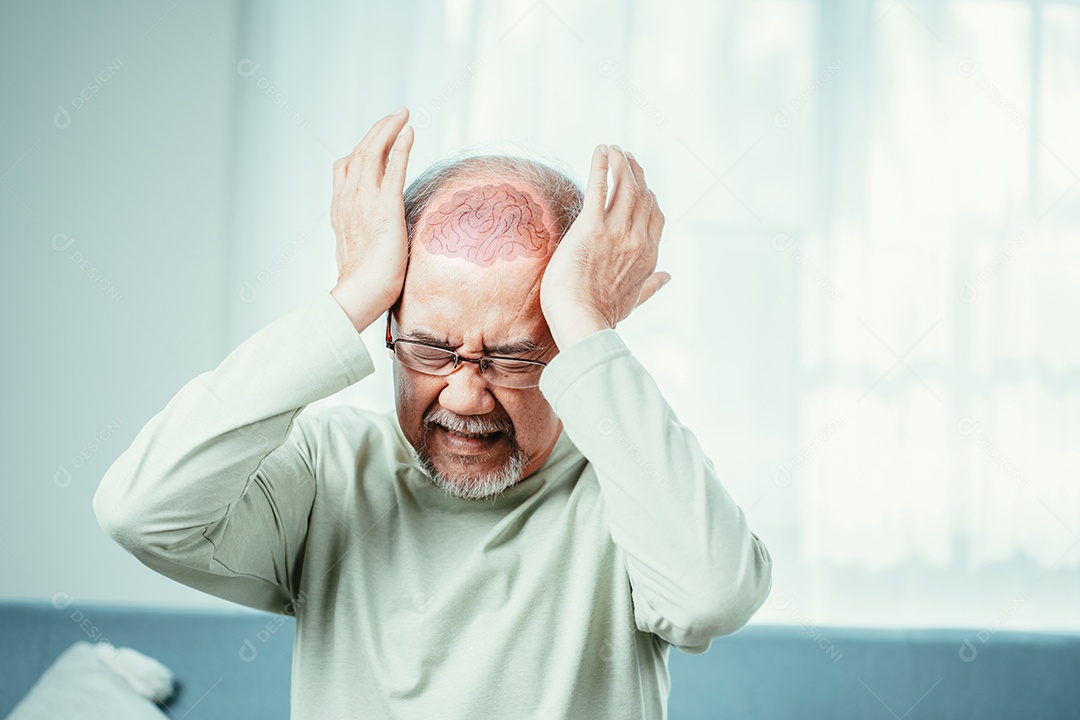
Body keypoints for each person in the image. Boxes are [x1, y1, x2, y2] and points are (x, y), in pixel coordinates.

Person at [93, 106, 773, 719]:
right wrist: (353, 293)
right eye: (429, 349)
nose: (465, 397)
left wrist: (587, 322)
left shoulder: (631, 487)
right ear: (388, 327)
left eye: (513, 357)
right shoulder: (328, 472)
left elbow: (711, 598)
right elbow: (141, 512)